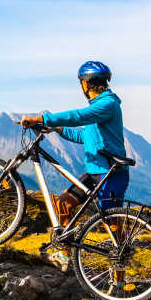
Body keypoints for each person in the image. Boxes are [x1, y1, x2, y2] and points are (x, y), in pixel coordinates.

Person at [20, 60, 130, 271]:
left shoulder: (107, 104)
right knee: (63, 203)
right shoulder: (98, 107)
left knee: (112, 222)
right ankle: (64, 255)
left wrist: (43, 118)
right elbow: (83, 136)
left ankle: (121, 267)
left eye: (81, 82)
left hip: (110, 173)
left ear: (86, 84)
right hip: (94, 172)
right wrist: (57, 129)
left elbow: (78, 116)